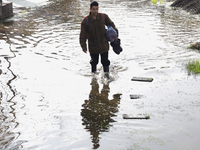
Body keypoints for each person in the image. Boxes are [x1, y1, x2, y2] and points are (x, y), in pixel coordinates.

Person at [79, 1, 119, 78]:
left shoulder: (103, 17)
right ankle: (94, 80)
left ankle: (107, 78)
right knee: (94, 62)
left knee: (105, 62)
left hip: (104, 45)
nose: (95, 11)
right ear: (90, 9)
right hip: (93, 46)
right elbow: (82, 35)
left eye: (96, 9)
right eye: (93, 9)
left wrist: (116, 35)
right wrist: (83, 46)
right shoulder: (86, 21)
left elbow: (112, 25)